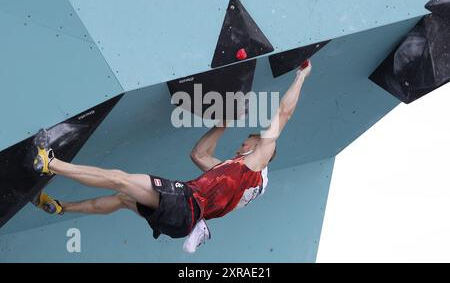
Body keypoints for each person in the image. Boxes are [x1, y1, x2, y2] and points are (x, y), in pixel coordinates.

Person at [31, 60, 312, 253]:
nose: (240, 147)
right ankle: (59, 206)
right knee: (122, 199)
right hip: (181, 220)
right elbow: (199, 154)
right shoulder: (236, 178)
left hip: (184, 205)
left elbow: (283, 114)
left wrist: (300, 77)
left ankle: (49, 162)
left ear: (260, 148)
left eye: (245, 142)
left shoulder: (257, 162)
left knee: (119, 180)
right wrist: (225, 120)